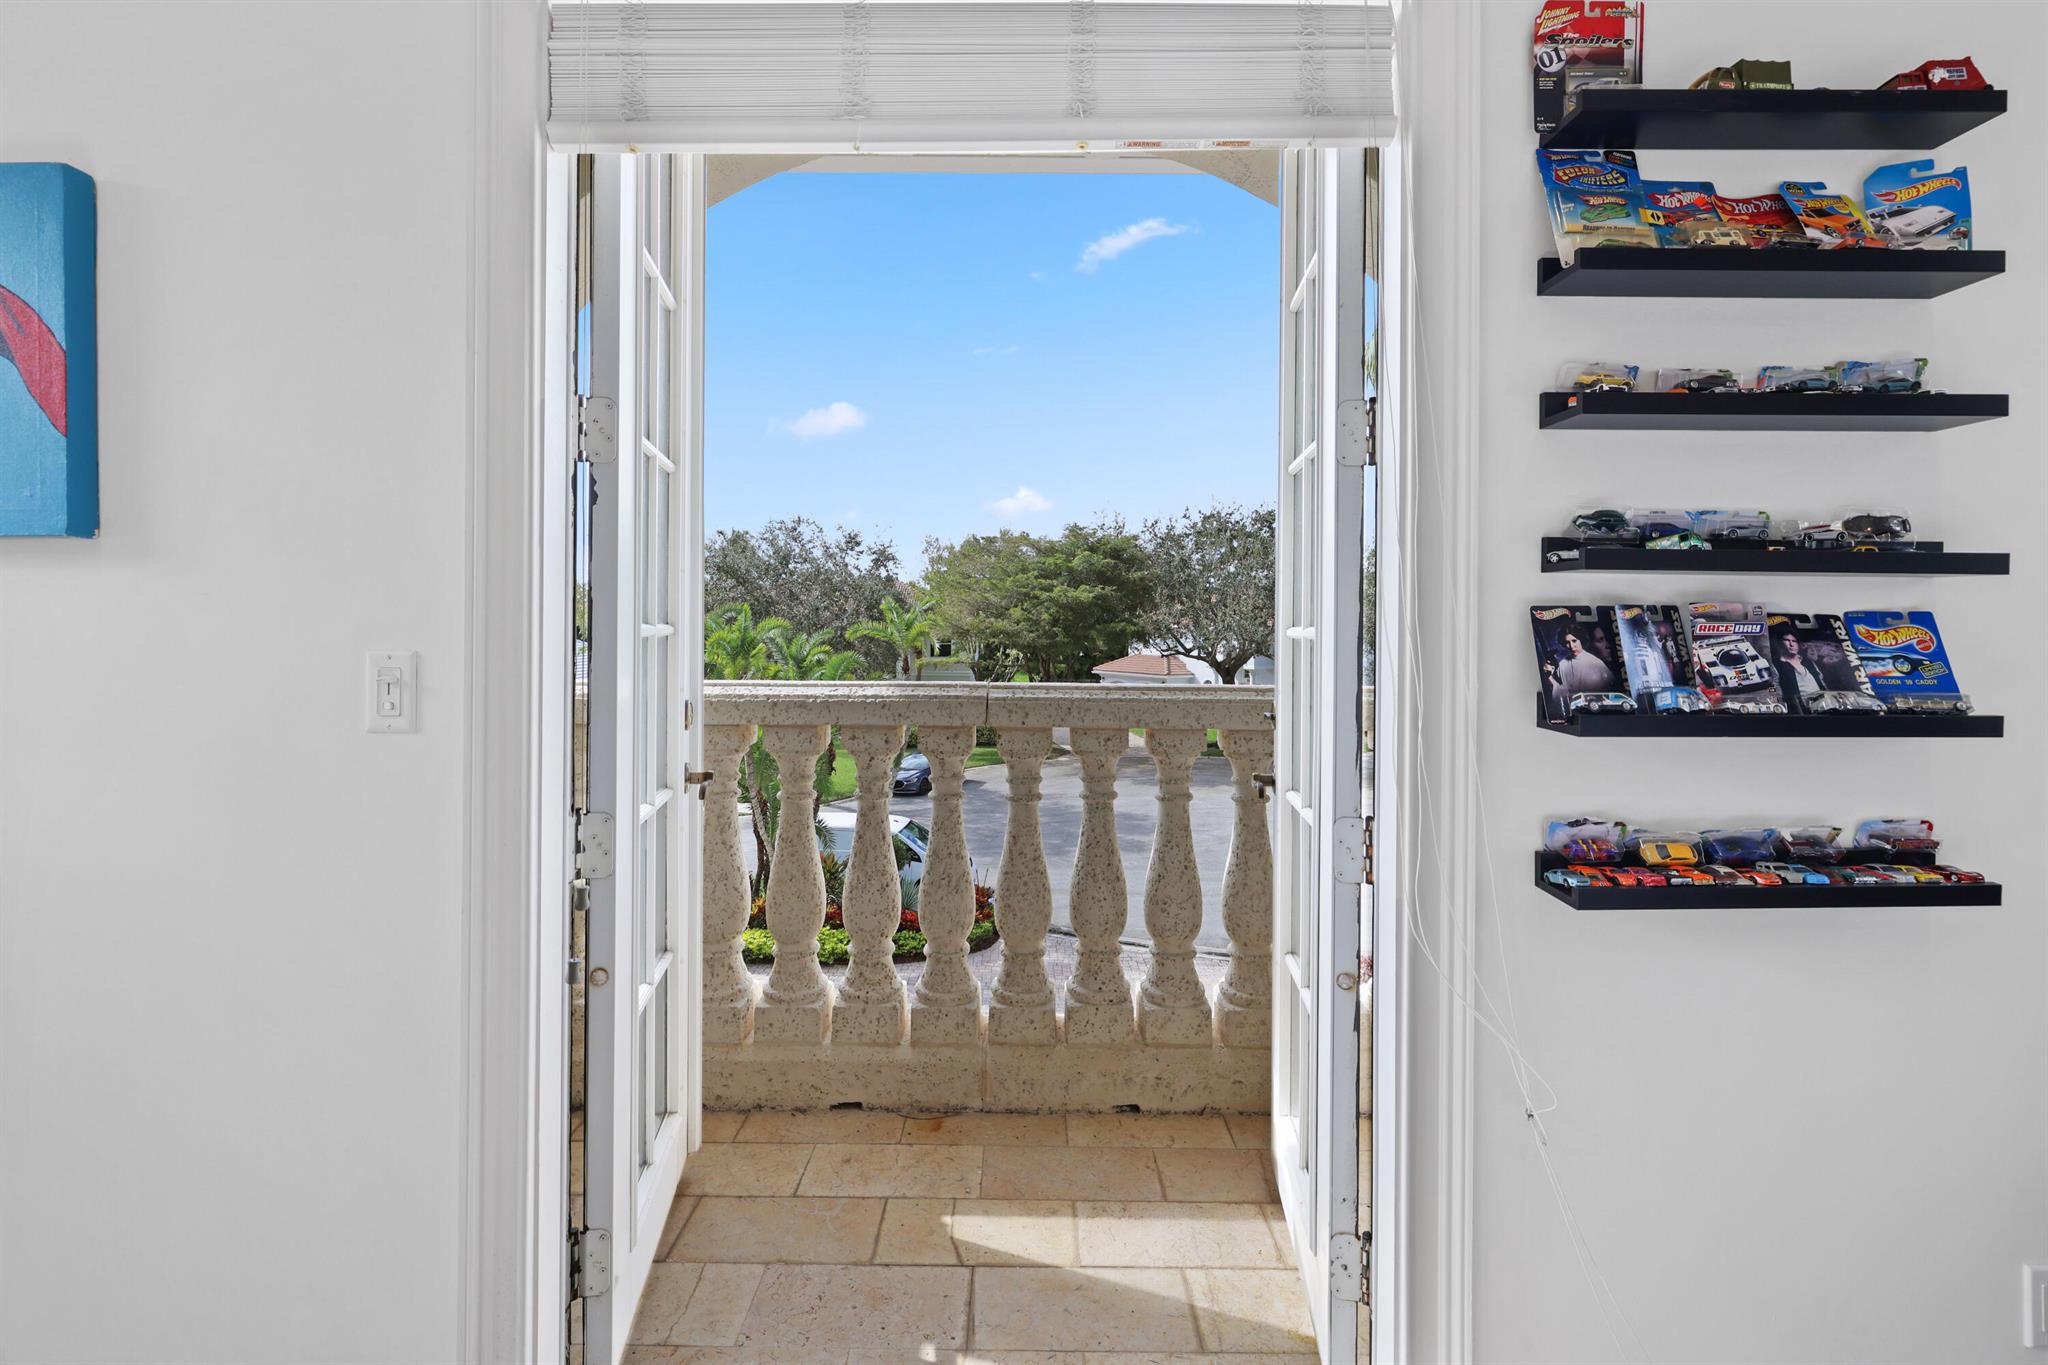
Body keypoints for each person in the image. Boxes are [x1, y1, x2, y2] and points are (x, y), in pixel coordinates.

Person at [1544, 629, 1618, 716]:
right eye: (1567, 642)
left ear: (1581, 640)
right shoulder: (1562, 665)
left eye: (1574, 641)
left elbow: (1609, 690)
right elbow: (1561, 692)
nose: (1571, 646)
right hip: (1572, 713)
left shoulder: (1596, 663)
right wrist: (1550, 677)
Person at [1775, 631, 1825, 714]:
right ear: (1780, 644)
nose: (1791, 644)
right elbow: (1777, 689)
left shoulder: (1808, 661)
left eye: (1794, 641)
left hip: (1822, 706)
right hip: (1799, 711)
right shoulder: (1777, 665)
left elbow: (1821, 680)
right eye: (1787, 641)